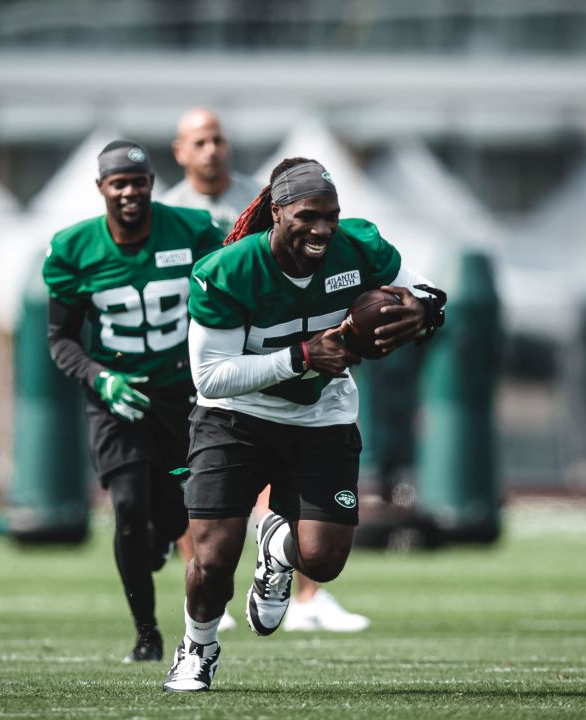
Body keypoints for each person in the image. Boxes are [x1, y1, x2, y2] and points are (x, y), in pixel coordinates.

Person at [162, 157, 447, 692]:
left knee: (326, 558)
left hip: (322, 414)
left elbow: (425, 290)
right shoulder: (226, 270)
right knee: (213, 555)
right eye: (309, 216)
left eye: (331, 216)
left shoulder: (358, 246)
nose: (322, 228)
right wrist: (300, 357)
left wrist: (425, 311)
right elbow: (209, 377)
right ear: (277, 212)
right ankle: (197, 649)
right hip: (236, 419)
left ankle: (275, 549)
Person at [160, 107, 371, 634]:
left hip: (295, 366)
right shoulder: (168, 213)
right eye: (200, 141)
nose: (212, 149)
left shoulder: (266, 200)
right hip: (208, 353)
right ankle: (211, 602)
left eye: (218, 139)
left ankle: (305, 592)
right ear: (180, 151)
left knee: (309, 513)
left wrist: (417, 307)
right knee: (206, 500)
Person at [43, 140, 224, 664]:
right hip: (116, 396)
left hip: (178, 392)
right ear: (101, 188)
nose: (129, 191)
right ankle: (147, 634)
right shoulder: (74, 248)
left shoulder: (192, 231)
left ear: (151, 185)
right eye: (118, 183)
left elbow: (224, 299)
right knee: (127, 505)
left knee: (171, 515)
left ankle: (162, 535)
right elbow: (61, 339)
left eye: (138, 181)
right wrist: (100, 379)